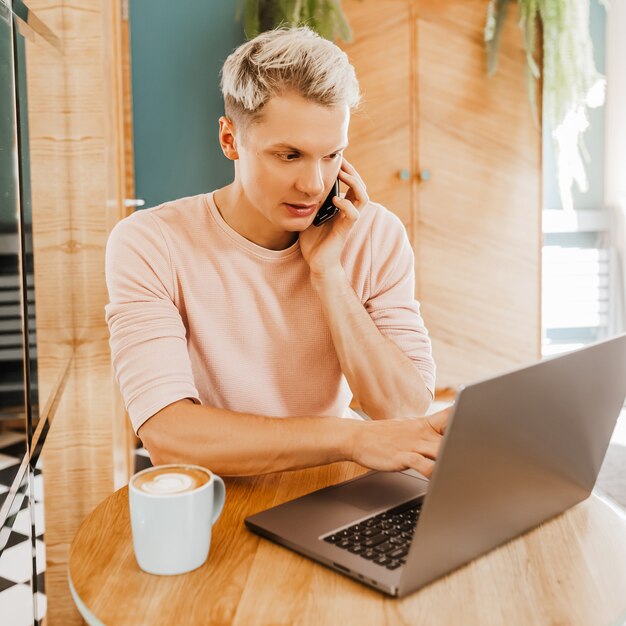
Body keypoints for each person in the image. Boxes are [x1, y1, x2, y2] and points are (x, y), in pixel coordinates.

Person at [105, 26, 450, 478]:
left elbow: (404, 407)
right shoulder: (150, 243)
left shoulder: (374, 234)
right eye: (289, 156)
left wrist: (328, 274)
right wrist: (353, 438)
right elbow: (170, 436)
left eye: (331, 156)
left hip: (330, 487)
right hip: (222, 496)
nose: (313, 184)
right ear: (230, 140)